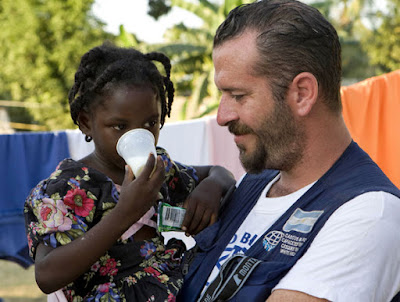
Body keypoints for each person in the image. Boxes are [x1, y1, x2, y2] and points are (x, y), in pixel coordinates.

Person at [179, 0, 400, 301]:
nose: (222, 116)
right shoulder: (254, 183)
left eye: (239, 95)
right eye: (223, 95)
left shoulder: (370, 214)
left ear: (302, 94)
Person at [24, 43, 235, 301]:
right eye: (120, 126)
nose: (139, 135)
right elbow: (46, 276)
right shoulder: (66, 188)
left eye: (151, 123)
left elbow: (219, 173)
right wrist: (125, 212)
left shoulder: (156, 169)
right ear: (86, 122)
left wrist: (211, 187)